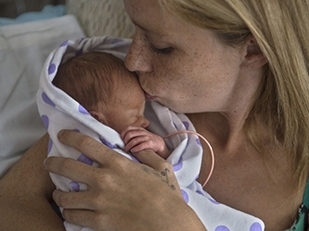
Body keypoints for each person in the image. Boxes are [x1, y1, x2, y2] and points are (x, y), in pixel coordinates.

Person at [1, 0, 309, 230]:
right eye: (135, 29)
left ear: (253, 50)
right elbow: (12, 201)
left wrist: (173, 223)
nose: (132, 60)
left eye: (162, 47)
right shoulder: (134, 101)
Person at [52, 51, 170, 158]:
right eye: (135, 116)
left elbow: (170, 173)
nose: (146, 122)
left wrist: (161, 148)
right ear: (95, 118)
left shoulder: (139, 138)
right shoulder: (81, 148)